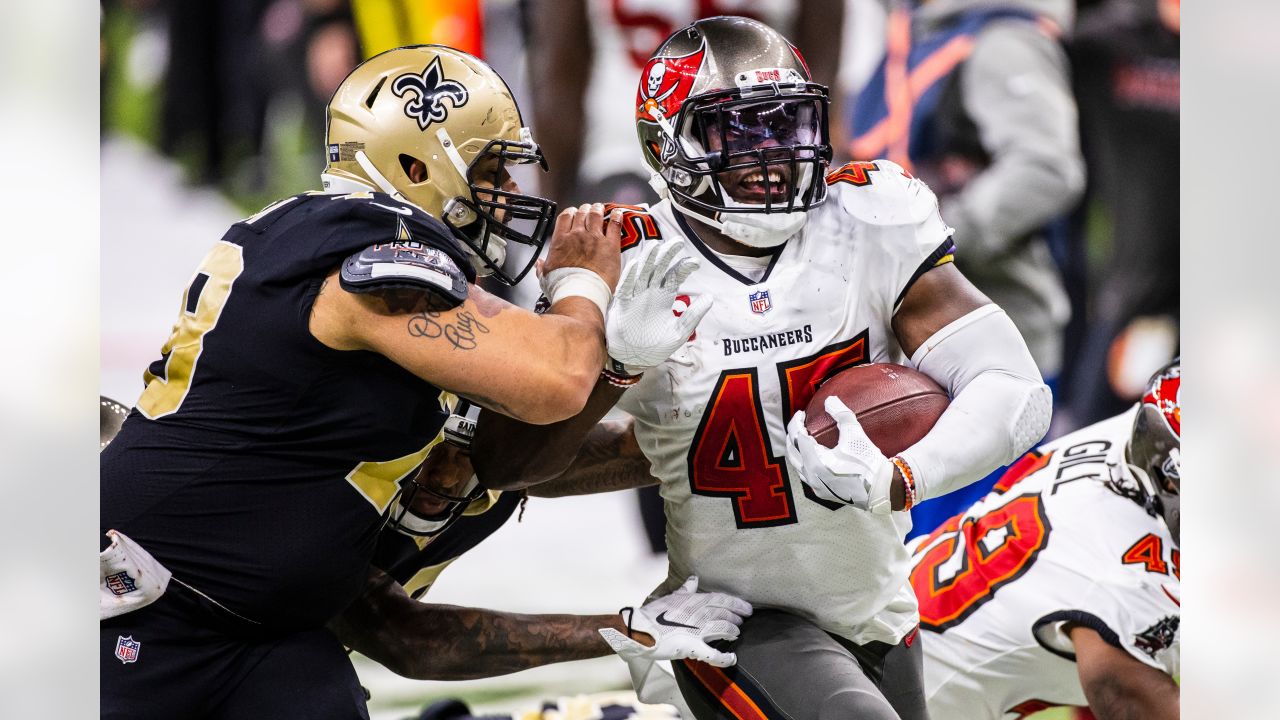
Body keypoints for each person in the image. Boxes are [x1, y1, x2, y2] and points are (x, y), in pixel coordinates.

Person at [101, 44, 711, 720]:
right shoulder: (374, 248)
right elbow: (559, 379)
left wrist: (722, 445)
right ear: (417, 166)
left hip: (256, 631)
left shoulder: (338, 278)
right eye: (491, 171)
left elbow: (490, 487)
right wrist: (584, 284)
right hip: (147, 608)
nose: (509, 196)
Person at [473, 17, 1051, 720]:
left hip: (877, 607)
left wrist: (902, 476)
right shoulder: (622, 259)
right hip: (731, 623)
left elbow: (1014, 390)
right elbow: (505, 462)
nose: (773, 155)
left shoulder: (869, 219)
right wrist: (615, 367)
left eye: (787, 127)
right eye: (738, 134)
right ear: (667, 144)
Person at [848, 0, 1086, 535]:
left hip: (988, 341)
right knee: (906, 555)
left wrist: (925, 239)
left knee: (964, 555)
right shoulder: (915, 31)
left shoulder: (1002, 37)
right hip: (914, 339)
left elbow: (1046, 169)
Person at [909, 361, 1180, 718]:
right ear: (1171, 477)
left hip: (902, 611)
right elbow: (1125, 696)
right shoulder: (1119, 573)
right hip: (896, 694)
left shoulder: (1144, 433)